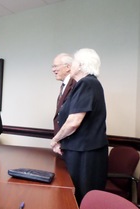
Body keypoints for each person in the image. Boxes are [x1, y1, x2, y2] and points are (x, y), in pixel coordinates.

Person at [50, 48, 108, 205]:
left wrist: (55, 140)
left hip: (85, 154)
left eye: (74, 61)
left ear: (81, 65)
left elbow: (73, 121)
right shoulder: (86, 84)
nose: (72, 64)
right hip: (81, 150)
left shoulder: (86, 83)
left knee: (81, 197)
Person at [52, 53, 76, 135]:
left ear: (68, 67)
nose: (53, 70)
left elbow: (73, 118)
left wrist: (57, 139)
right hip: (64, 139)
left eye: (55, 66)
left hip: (71, 140)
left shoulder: (76, 84)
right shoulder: (64, 85)